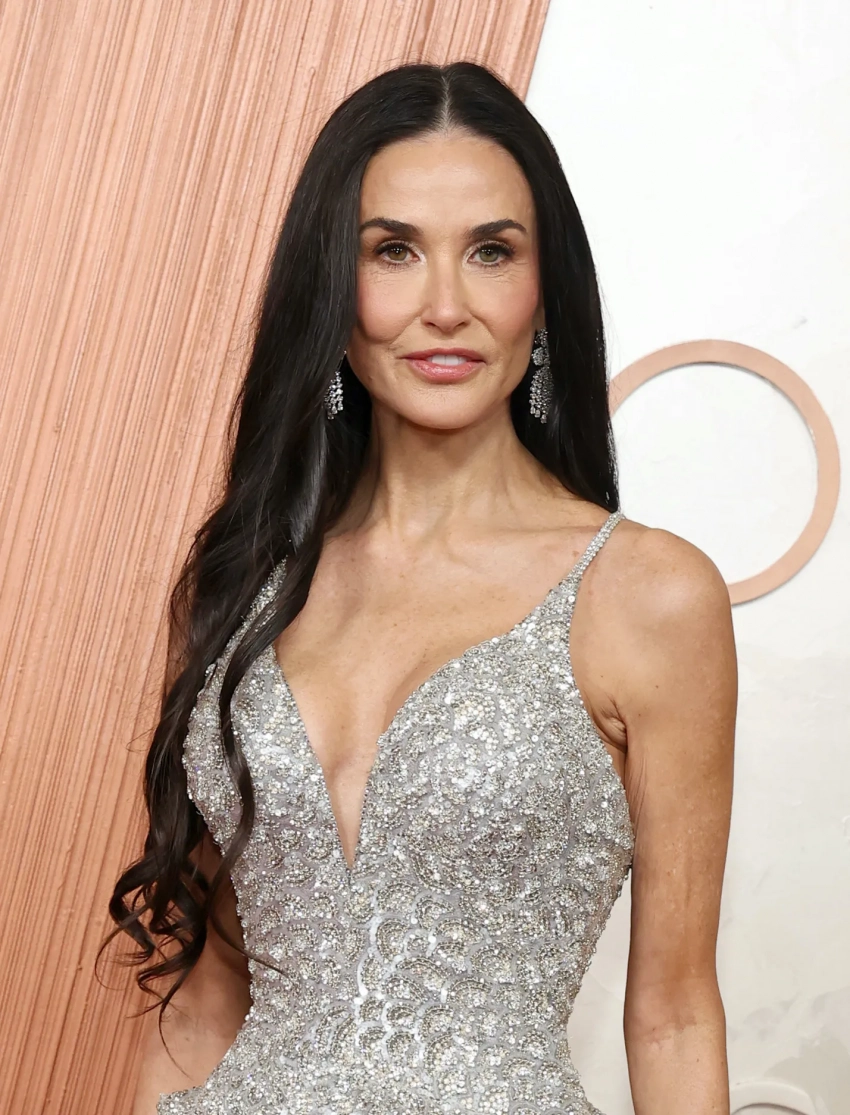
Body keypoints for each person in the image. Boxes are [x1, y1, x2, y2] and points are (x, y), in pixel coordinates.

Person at [108, 61, 737, 1115]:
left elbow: (673, 1013)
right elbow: (211, 989)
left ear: (544, 292)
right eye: (392, 251)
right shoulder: (249, 581)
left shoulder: (648, 595)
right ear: (334, 289)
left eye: (491, 251)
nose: (445, 306)